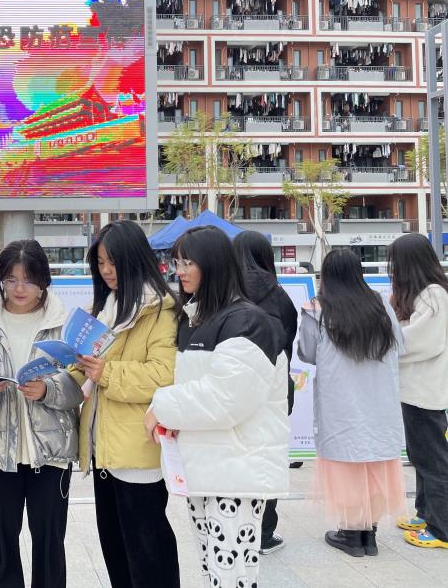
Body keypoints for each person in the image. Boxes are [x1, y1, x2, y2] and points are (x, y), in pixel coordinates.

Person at [146, 226, 289, 588]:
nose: (179, 271)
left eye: (188, 262)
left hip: (237, 472)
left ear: (213, 264)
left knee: (232, 575)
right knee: (214, 568)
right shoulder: (198, 318)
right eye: (176, 262)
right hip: (206, 467)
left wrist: (162, 406)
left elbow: (227, 398)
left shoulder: (247, 321)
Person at [0, 240, 82, 588]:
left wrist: (48, 390)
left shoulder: (64, 324)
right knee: (1, 545)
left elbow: (79, 385)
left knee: (50, 544)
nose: (20, 288)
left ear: (43, 280)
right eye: (11, 279)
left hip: (52, 452)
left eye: (28, 279)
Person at [67, 219, 180, 588]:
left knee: (148, 553)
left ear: (134, 258)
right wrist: (66, 368)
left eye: (113, 262)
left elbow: (164, 374)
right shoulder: (105, 308)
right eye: (100, 263)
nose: (106, 271)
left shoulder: (159, 311)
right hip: (104, 448)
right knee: (116, 551)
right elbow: (88, 370)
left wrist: (107, 372)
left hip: (137, 450)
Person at [298, 248, 405, 557]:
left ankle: (351, 534)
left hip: (341, 402)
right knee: (375, 463)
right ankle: (369, 535)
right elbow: (401, 344)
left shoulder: (316, 310)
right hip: (379, 400)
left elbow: (306, 353)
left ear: (326, 276)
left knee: (346, 465)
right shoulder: (381, 305)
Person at [233, 230, 297, 555]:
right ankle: (264, 532)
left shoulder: (226, 293)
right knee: (268, 457)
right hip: (273, 389)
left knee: (236, 456)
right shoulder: (280, 296)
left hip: (234, 390)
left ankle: (235, 525)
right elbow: (288, 339)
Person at [387, 234, 448, 550]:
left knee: (433, 460)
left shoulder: (435, 295)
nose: (393, 269)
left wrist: (385, 341)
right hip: (415, 392)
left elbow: (423, 340)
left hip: (426, 393)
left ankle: (442, 528)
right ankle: (427, 513)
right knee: (421, 456)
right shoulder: (424, 294)